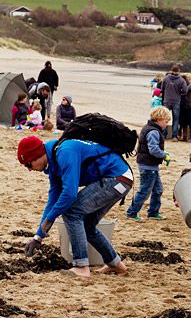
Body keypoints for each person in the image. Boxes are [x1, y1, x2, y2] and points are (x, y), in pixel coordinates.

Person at [18, 135, 132, 278]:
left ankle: (81, 266)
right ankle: (116, 265)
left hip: (117, 178)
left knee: (71, 212)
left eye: (28, 164)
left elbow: (70, 194)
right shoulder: (53, 164)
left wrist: (51, 218)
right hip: (120, 180)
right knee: (87, 225)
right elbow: (52, 201)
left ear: (37, 155)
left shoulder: (65, 152)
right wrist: (37, 237)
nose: (29, 169)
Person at [126, 106, 172, 222]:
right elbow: (153, 150)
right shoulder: (153, 132)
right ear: (159, 119)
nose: (166, 125)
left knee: (158, 189)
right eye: (166, 122)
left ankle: (153, 212)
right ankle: (132, 212)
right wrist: (164, 155)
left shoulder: (151, 128)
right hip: (147, 166)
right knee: (145, 191)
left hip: (151, 165)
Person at [161, 65, 188, 141]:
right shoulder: (181, 80)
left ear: (171, 70)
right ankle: (174, 136)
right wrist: (180, 93)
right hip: (176, 101)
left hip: (167, 100)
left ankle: (164, 134)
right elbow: (185, 91)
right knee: (175, 119)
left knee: (164, 118)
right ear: (179, 71)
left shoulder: (166, 78)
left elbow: (162, 88)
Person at [178, 73, 191, 142]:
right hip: (183, 105)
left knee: (190, 122)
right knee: (183, 122)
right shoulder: (184, 85)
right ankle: (184, 137)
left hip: (189, 106)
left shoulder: (190, 85)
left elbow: (185, 91)